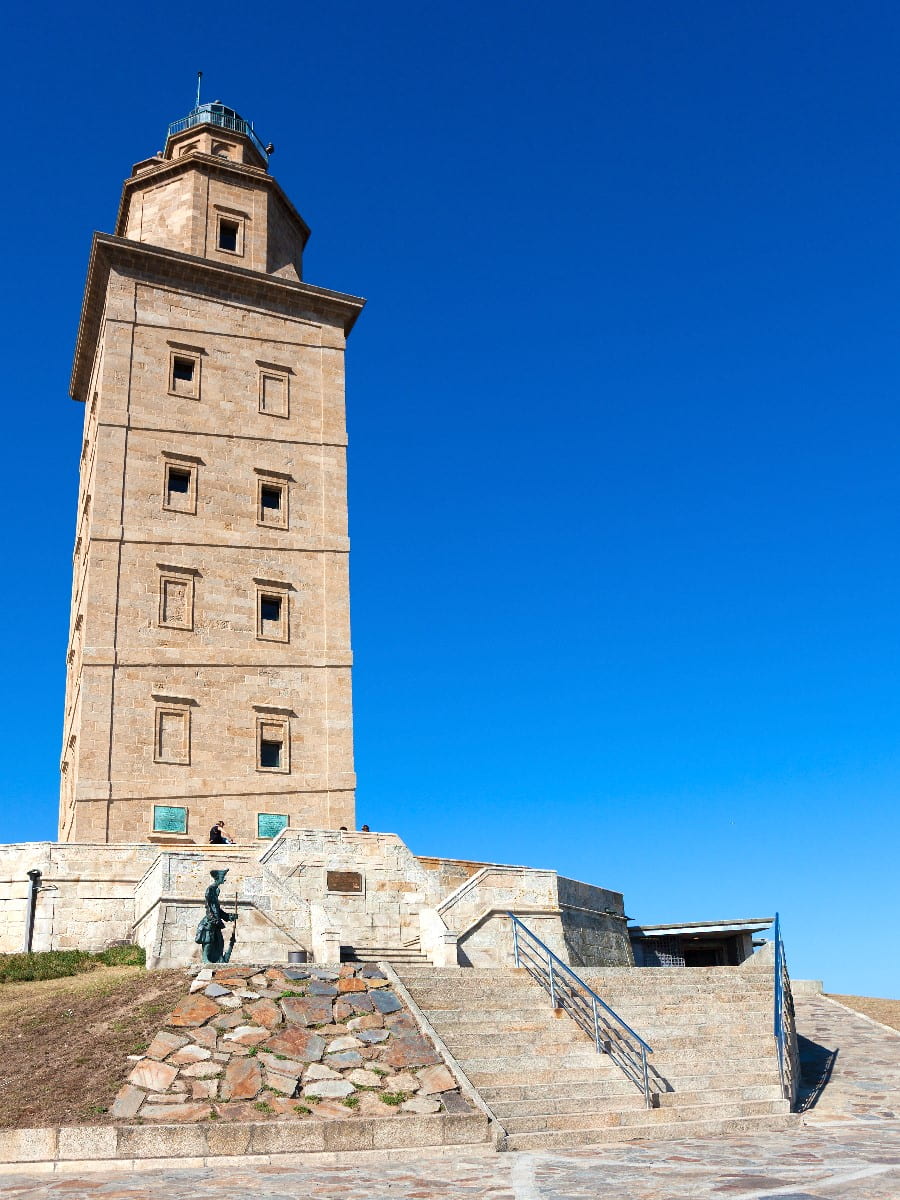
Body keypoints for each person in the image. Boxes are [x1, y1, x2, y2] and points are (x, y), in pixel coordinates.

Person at [194, 868, 237, 964]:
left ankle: (217, 959)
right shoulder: (210, 889)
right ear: (218, 878)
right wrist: (212, 918)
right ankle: (205, 959)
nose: (224, 879)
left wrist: (229, 916)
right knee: (208, 940)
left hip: (216, 920)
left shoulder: (216, 890)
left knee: (218, 941)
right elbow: (208, 906)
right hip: (211, 920)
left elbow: (217, 910)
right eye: (223, 877)